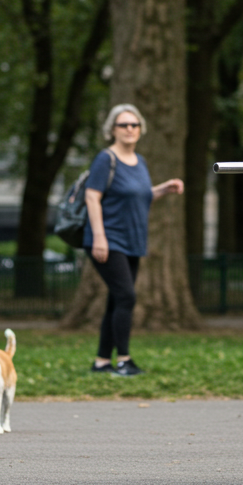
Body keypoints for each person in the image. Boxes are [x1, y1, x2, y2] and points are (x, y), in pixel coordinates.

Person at [83, 104, 184, 377]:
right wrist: (100, 237)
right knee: (126, 296)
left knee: (117, 300)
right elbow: (92, 196)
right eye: (123, 125)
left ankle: (102, 361)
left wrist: (163, 188)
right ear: (112, 130)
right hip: (109, 239)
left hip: (132, 240)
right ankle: (124, 360)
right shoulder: (106, 159)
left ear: (140, 129)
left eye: (134, 125)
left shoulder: (140, 162)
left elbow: (140, 195)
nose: (129, 129)